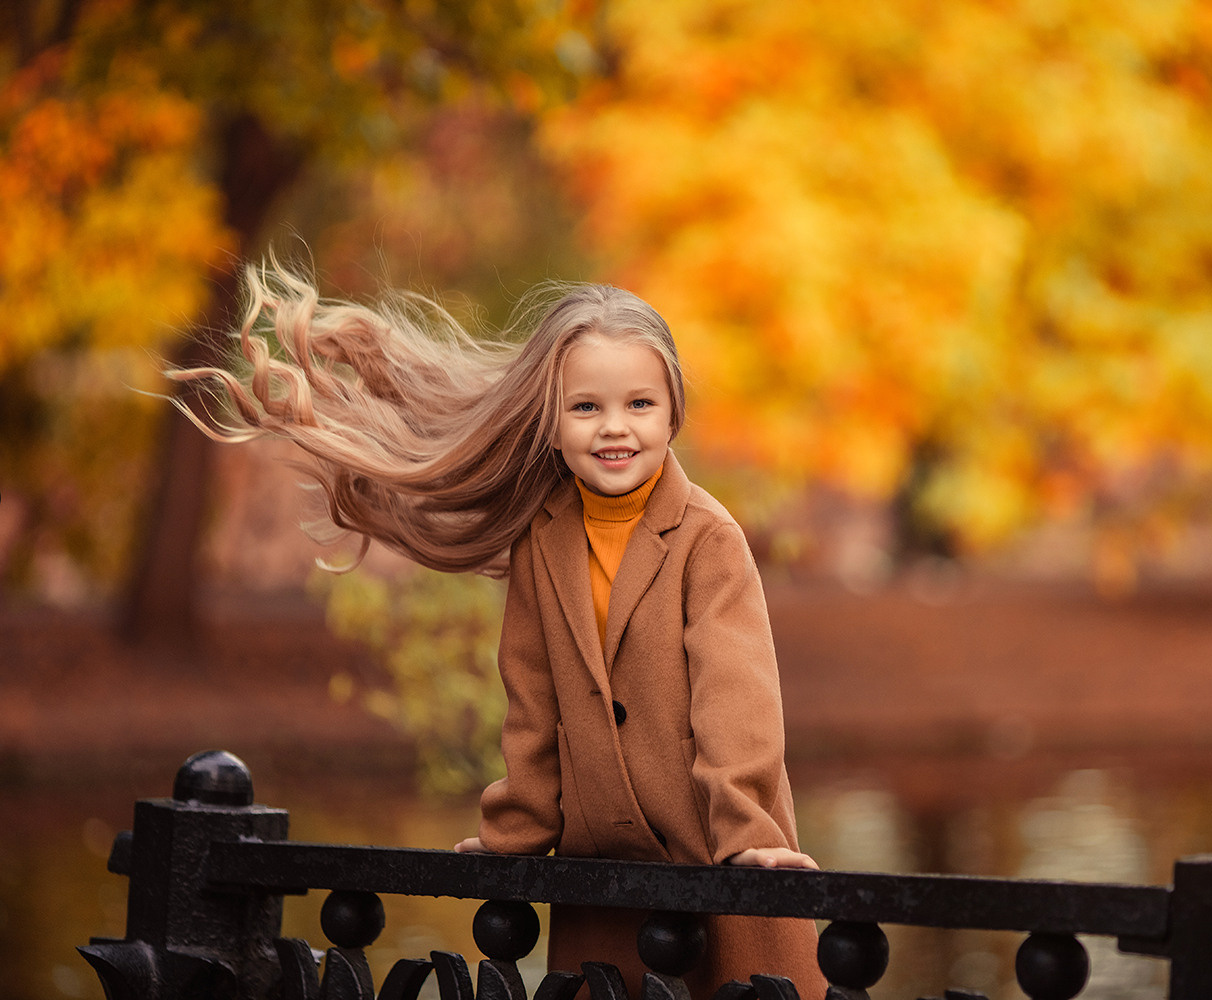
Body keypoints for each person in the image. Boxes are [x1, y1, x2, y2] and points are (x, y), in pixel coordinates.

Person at [169, 260, 825, 998]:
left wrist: (748, 841)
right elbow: (534, 704)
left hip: (722, 866)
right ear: (549, 420)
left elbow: (736, 702)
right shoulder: (543, 538)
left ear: (674, 413)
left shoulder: (708, 540)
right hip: (603, 881)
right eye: (585, 408)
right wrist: (515, 832)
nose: (615, 427)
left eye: (640, 403)